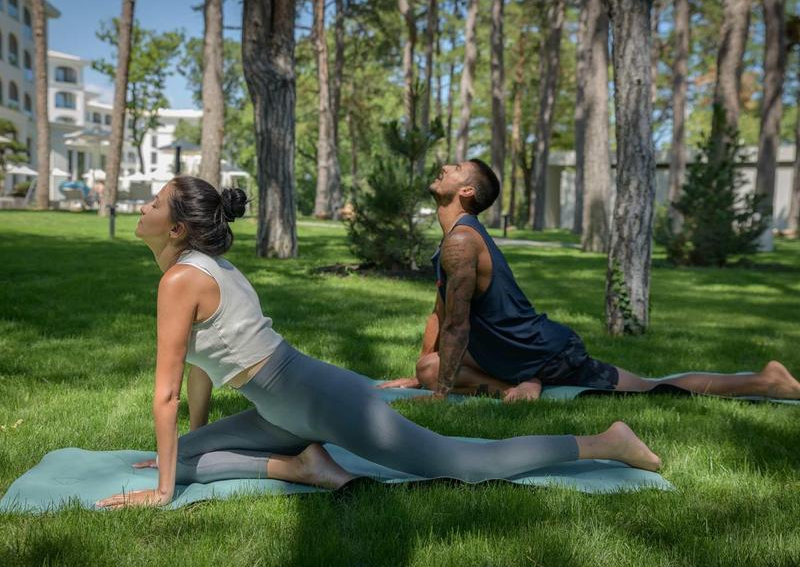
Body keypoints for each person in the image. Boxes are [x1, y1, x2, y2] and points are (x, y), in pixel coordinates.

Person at [97, 175, 661, 509]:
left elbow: (165, 392)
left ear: (175, 229)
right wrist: (192, 442)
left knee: (463, 462)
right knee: (181, 456)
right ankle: (305, 464)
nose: (142, 207)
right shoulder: (197, 268)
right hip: (280, 403)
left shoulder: (182, 279)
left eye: (152, 203)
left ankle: (604, 441)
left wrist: (164, 493)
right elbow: (197, 370)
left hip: (312, 395)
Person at [378, 159, 800, 403]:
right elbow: (441, 312)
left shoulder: (462, 243)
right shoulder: (453, 237)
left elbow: (458, 324)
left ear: (467, 192)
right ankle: (519, 384)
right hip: (510, 354)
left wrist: (439, 397)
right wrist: (423, 378)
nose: (445, 167)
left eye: (455, 168)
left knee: (647, 388)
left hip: (544, 350)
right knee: (430, 366)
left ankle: (767, 382)